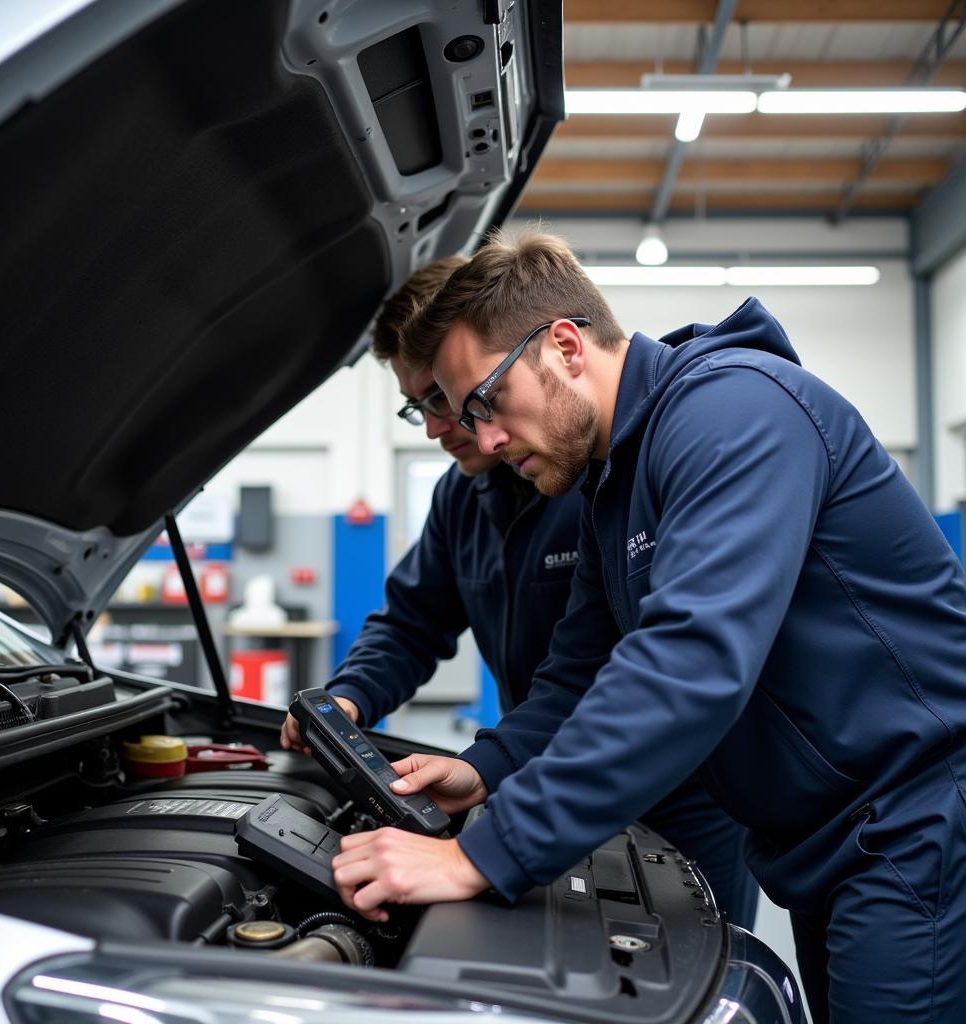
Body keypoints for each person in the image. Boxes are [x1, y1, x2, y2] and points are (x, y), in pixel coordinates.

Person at [330, 232, 966, 1024]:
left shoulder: (734, 412)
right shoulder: (613, 484)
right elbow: (579, 673)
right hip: (822, 840)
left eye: (485, 403)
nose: (482, 439)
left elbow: (690, 662)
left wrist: (480, 858)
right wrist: (484, 769)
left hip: (913, 822)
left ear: (563, 344)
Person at [281, 255, 758, 927]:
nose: (446, 428)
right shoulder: (478, 496)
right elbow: (538, 663)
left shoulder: (678, 438)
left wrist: (486, 851)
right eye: (420, 406)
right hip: (548, 774)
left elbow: (680, 669)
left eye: (455, 400)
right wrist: (466, 756)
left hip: (685, 791)